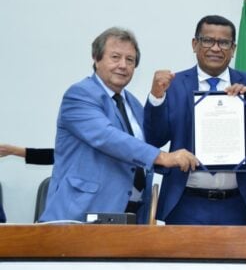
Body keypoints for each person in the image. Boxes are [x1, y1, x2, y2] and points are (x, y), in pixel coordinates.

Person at [40, 27, 199, 223]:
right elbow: (107, 137)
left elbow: (144, 149)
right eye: (115, 57)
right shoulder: (80, 95)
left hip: (131, 214)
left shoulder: (132, 103)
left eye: (130, 60)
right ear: (96, 59)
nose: (123, 65)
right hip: (81, 213)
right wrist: (164, 157)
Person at [144, 15, 246, 225]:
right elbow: (155, 138)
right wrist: (156, 97)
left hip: (238, 204)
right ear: (195, 44)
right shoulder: (172, 85)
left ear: (234, 48)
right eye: (208, 41)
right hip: (185, 203)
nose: (216, 48)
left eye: (224, 42)